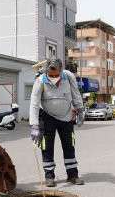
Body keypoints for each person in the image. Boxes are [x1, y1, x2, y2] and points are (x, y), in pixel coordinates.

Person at [29, 58, 85, 187]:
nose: (54, 77)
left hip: (67, 116)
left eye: (56, 75)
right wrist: (34, 125)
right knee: (46, 147)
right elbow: (34, 103)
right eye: (51, 75)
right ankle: (49, 176)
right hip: (47, 117)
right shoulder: (40, 80)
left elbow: (76, 94)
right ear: (46, 72)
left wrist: (80, 110)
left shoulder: (68, 77)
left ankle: (72, 175)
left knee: (69, 145)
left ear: (61, 70)